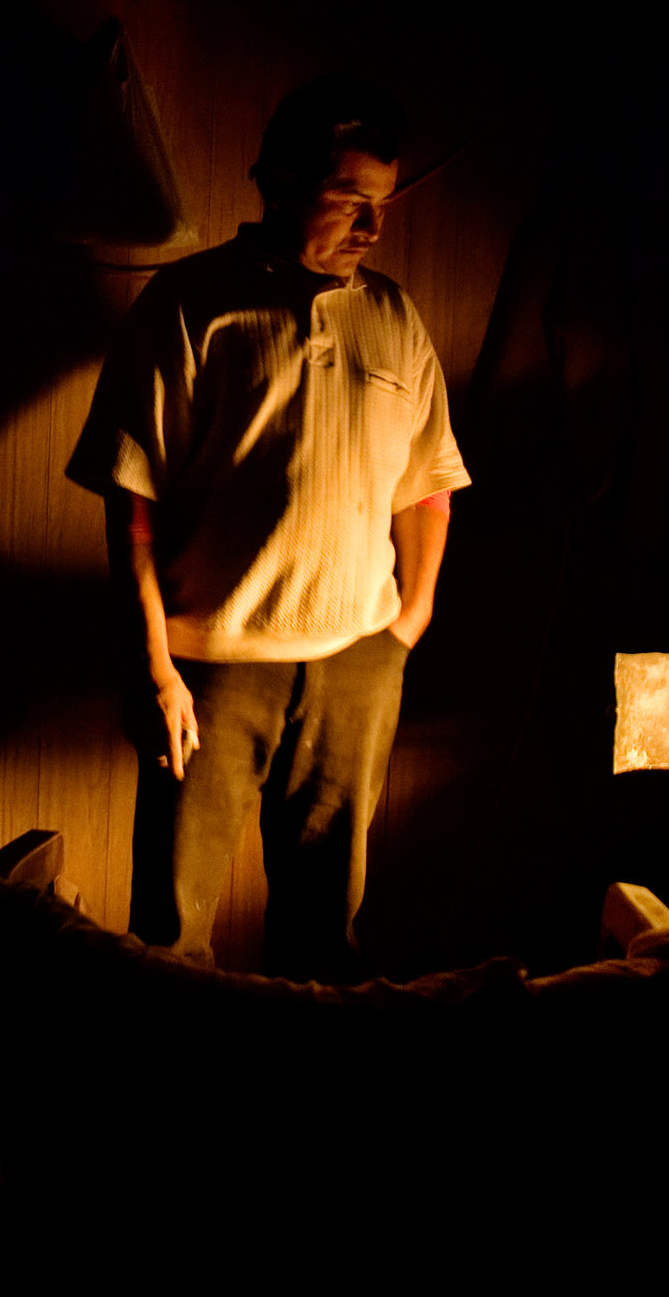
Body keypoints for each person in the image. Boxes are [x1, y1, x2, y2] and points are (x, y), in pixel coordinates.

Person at [67, 74, 468, 979]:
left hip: (355, 665)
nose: (372, 226)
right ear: (281, 182)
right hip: (208, 672)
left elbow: (427, 484)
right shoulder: (190, 306)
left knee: (327, 935)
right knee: (171, 939)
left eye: (383, 204)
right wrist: (156, 666)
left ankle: (305, 1117)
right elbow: (132, 505)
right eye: (349, 198)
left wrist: (408, 625)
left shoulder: (396, 319)